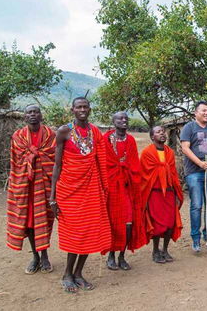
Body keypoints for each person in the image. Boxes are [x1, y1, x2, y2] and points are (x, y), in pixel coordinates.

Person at [49, 97, 112, 293]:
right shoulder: (63, 131)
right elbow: (57, 165)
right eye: (79, 107)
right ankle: (67, 274)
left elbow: (101, 162)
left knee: (90, 231)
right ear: (72, 109)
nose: (82, 110)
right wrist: (52, 197)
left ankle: (78, 273)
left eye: (85, 107)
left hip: (91, 189)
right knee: (75, 233)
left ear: (90, 109)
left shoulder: (95, 132)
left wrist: (104, 188)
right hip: (69, 191)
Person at [6, 105, 56, 274]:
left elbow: (56, 162)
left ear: (41, 115)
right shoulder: (18, 137)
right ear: (25, 117)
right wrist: (16, 184)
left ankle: (45, 256)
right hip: (25, 187)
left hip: (45, 186)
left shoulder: (50, 136)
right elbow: (15, 163)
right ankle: (35, 257)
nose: (33, 115)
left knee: (44, 220)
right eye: (29, 112)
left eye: (36, 112)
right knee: (29, 224)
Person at [103, 112, 146, 271]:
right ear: (113, 121)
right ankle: (111, 256)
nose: (123, 121)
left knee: (128, 223)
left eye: (126, 118)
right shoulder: (106, 139)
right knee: (113, 223)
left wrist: (128, 173)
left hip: (128, 186)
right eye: (120, 119)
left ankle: (122, 256)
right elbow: (104, 163)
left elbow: (134, 164)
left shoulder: (131, 140)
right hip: (112, 187)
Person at [180, 101, 207, 252]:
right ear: (196, 113)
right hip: (194, 172)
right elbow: (185, 148)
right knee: (196, 206)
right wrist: (199, 162)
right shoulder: (189, 127)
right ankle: (195, 238)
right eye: (203, 111)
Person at [140, 126, 183, 263]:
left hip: (169, 193)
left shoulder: (169, 152)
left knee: (170, 223)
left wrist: (176, 193)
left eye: (163, 132)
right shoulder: (147, 153)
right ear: (152, 137)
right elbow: (144, 176)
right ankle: (155, 251)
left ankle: (165, 250)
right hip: (155, 194)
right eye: (158, 132)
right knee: (157, 223)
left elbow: (174, 174)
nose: (162, 134)